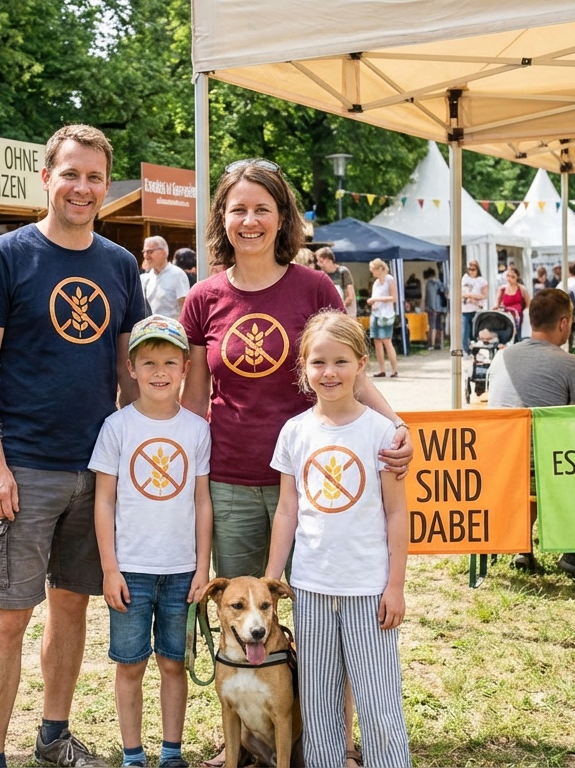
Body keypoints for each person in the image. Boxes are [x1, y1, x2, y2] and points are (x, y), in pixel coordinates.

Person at [179, 159, 411, 768]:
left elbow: (349, 367)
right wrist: (181, 472)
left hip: (308, 487)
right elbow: (194, 399)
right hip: (229, 480)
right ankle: (248, 738)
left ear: (282, 217)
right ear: (222, 219)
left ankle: (322, 739)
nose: (249, 220)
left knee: (314, 629)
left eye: (262, 208)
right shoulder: (203, 297)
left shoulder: (314, 289)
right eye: (238, 210)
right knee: (242, 618)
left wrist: (396, 425)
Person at [0, 124, 144, 768]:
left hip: (95, 470)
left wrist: (142, 450)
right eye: (71, 173)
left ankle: (53, 736)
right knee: (7, 616)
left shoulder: (120, 266)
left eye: (95, 177)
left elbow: (129, 369)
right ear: (46, 177)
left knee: (71, 607)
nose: (83, 187)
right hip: (25, 467)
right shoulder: (5, 256)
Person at [265, 310, 410, 768]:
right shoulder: (295, 432)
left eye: (341, 362)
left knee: (377, 697)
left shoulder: (381, 432)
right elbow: (288, 509)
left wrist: (396, 585)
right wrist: (272, 577)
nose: (329, 373)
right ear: (303, 369)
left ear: (362, 364)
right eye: (318, 363)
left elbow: (396, 511)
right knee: (319, 698)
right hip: (310, 587)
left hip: (368, 589)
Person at [90, 315, 211, 768]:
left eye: (169, 362)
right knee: (130, 664)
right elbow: (103, 502)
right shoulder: (117, 428)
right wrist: (110, 568)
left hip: (181, 570)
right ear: (132, 369)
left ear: (184, 369)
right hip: (131, 570)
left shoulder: (197, 430)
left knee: (173, 663)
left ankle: (172, 753)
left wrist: (202, 567)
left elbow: (202, 502)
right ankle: (133, 754)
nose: (159, 372)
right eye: (149, 362)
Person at [487, 289, 575, 578]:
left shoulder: (501, 359)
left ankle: (520, 546)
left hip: (500, 464)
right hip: (547, 470)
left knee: (536, 458)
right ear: (564, 323)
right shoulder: (569, 363)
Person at [141, 236, 189, 319]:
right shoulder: (145, 278)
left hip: (171, 330)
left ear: (163, 252)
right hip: (149, 330)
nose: (146, 256)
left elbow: (185, 308)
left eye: (149, 251)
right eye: (144, 252)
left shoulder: (177, 274)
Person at [366, 259, 400, 378]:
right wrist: (373, 302)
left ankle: (394, 369)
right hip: (376, 313)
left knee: (386, 341)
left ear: (380, 268)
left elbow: (393, 298)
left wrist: (376, 300)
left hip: (386, 314)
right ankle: (382, 369)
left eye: (373, 270)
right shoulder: (376, 283)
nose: (372, 272)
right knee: (377, 342)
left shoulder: (389, 279)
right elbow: (375, 297)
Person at [316, 247, 357, 317]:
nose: (318, 264)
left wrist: (340, 308)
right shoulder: (322, 275)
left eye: (320, 261)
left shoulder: (343, 271)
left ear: (328, 260)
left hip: (344, 314)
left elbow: (350, 296)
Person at [460, 260, 487, 353]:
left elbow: (484, 295)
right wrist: (467, 295)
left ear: (477, 270)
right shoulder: (465, 278)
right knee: (465, 333)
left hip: (476, 309)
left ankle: (476, 352)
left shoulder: (481, 280)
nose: (471, 271)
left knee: (475, 333)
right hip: (465, 309)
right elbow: (461, 293)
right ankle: (466, 351)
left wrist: (471, 295)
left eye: (473, 269)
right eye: (469, 269)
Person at [495, 267, 529, 339]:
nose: (510, 278)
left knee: (519, 339)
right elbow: (497, 306)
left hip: (519, 319)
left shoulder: (522, 289)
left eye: (513, 277)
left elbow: (528, 304)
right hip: (507, 319)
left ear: (517, 277)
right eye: (508, 276)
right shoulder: (502, 289)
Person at [422, 267, 445, 349]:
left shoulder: (429, 283)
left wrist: (428, 307)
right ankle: (441, 343)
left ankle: (432, 344)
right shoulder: (439, 282)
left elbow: (430, 297)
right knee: (439, 326)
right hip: (440, 307)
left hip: (432, 308)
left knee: (432, 326)